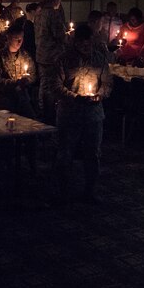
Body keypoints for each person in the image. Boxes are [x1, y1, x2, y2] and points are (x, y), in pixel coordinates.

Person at [53, 24, 111, 203]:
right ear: (75, 42)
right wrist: (74, 97)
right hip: (70, 114)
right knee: (65, 153)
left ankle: (90, 190)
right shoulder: (64, 59)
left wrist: (100, 95)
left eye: (88, 43)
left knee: (93, 153)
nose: (86, 46)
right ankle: (63, 191)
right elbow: (55, 86)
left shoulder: (100, 59)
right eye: (82, 43)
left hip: (93, 115)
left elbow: (107, 83)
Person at [0, 26, 37, 117]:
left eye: (21, 39)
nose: (19, 42)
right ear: (9, 38)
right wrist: (15, 83)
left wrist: (26, 81)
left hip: (22, 98)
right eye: (16, 39)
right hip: (4, 99)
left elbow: (33, 75)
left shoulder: (25, 56)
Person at [36, 0, 67, 123]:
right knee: (50, 86)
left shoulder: (39, 12)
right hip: (52, 55)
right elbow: (59, 34)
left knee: (43, 84)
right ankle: (48, 115)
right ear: (55, 0)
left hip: (41, 52)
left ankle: (41, 110)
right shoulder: (52, 14)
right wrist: (67, 36)